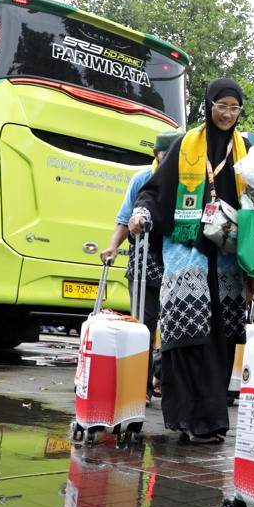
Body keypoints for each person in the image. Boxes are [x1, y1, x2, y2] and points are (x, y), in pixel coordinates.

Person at [129, 79, 252, 445]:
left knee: (220, 340)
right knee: (187, 334)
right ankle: (185, 418)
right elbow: (155, 191)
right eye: (222, 106)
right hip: (188, 253)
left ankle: (211, 422)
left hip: (227, 257)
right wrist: (141, 214)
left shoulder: (246, 152)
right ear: (209, 105)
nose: (228, 114)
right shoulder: (185, 146)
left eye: (234, 108)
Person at [102, 131, 178, 397]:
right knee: (142, 326)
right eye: (166, 154)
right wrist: (113, 246)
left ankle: (162, 379)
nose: (171, 159)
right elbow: (124, 220)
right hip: (143, 263)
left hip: (175, 264)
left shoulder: (187, 180)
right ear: (156, 154)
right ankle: (139, 387)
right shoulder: (142, 179)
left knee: (173, 326)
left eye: (176, 154)